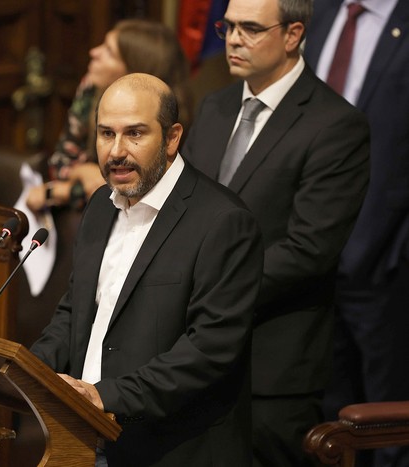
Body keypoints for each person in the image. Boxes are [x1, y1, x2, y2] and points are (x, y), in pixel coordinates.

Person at [30, 73, 264, 466]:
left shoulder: (223, 222)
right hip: (81, 439)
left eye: (135, 134)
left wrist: (107, 396)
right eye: (106, 134)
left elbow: (209, 351)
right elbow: (75, 312)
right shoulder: (101, 206)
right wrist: (31, 370)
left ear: (172, 138)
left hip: (168, 450)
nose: (116, 151)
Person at [181, 0, 371, 465]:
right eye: (227, 27)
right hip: (189, 360)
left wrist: (211, 288)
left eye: (250, 28)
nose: (232, 39)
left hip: (271, 369)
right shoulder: (215, 106)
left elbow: (310, 249)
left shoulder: (335, 124)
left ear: (292, 35)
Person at [304, 1, 409, 466]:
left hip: (388, 264)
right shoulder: (320, 13)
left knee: (389, 428)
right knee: (327, 421)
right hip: (311, 259)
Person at [25, 19, 191, 212]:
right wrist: (85, 171)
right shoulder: (91, 88)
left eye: (109, 52)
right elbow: (61, 162)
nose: (94, 52)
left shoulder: (167, 112)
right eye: (107, 133)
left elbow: (133, 186)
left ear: (133, 70)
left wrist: (59, 192)